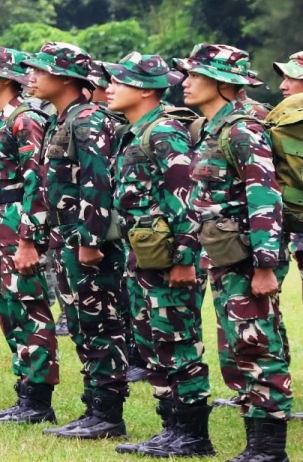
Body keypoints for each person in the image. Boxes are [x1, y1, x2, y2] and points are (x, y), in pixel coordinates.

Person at [177, 44, 292, 460]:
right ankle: (255, 445)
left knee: (257, 346)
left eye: (195, 75)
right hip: (225, 257)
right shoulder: (214, 128)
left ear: (224, 84)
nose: (185, 82)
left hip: (248, 260)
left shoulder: (242, 129)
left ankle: (269, 451)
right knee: (238, 347)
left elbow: (265, 200)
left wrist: (264, 267)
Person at [100, 53, 215, 457]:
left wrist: (185, 257)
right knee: (154, 343)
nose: (109, 88)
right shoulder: (136, 130)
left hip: (170, 258)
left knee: (178, 341)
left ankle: (193, 435)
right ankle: (172, 428)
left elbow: (187, 199)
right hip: (146, 254)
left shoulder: (164, 132)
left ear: (146, 89)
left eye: (119, 81)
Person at [23, 43, 129, 440]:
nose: (32, 78)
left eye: (41, 71)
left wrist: (89, 239)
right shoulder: (63, 118)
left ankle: (108, 414)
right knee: (83, 325)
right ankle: (94, 409)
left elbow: (97, 181)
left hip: (89, 243)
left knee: (100, 323)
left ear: (67, 79)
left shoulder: (87, 119)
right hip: (68, 239)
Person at [0, 48, 59, 424]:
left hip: (17, 228)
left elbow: (37, 179)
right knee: (10, 311)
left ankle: (37, 400)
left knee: (29, 309)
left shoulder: (25, 120)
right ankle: (26, 396)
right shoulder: (2, 120)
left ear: (7, 78)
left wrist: (29, 239)